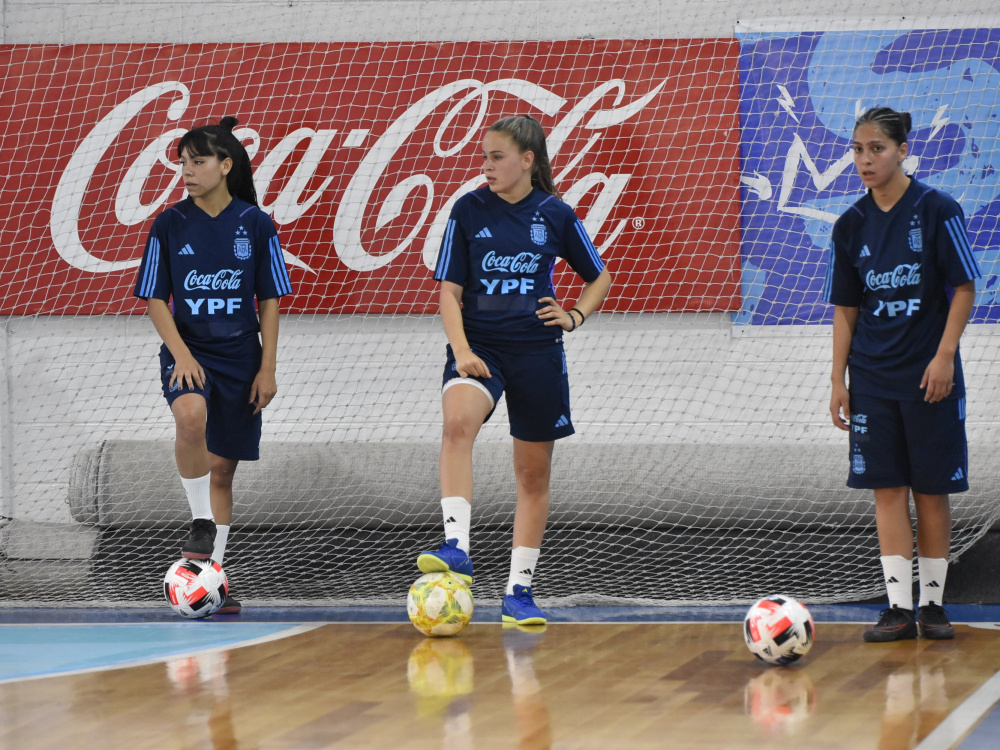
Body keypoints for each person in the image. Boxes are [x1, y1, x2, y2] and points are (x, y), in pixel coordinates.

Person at [417, 114, 612, 626]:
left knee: (531, 475)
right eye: (483, 157)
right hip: (479, 346)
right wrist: (460, 350)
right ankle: (455, 546)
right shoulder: (467, 209)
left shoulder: (555, 213)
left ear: (527, 160)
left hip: (537, 353)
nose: (485, 166)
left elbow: (599, 276)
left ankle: (518, 593)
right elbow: (449, 293)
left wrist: (573, 316)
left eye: (496, 157)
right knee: (457, 422)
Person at [824, 106, 980, 642]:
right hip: (871, 378)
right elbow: (846, 310)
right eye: (858, 150)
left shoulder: (938, 209)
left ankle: (933, 606)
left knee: (930, 490)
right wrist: (837, 379)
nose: (865, 160)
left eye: (877, 149)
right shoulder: (850, 225)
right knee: (887, 489)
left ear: (902, 150)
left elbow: (964, 287)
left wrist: (944, 356)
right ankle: (896, 606)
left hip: (928, 376)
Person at [133, 117, 293, 614]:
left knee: (223, 471)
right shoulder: (169, 222)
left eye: (197, 161)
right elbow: (155, 298)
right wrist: (181, 353)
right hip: (190, 349)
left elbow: (269, 299)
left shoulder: (256, 223)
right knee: (190, 418)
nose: (186, 170)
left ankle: (213, 583)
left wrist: (267, 368)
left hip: (242, 356)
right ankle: (200, 522)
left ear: (226, 166)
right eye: (182, 161)